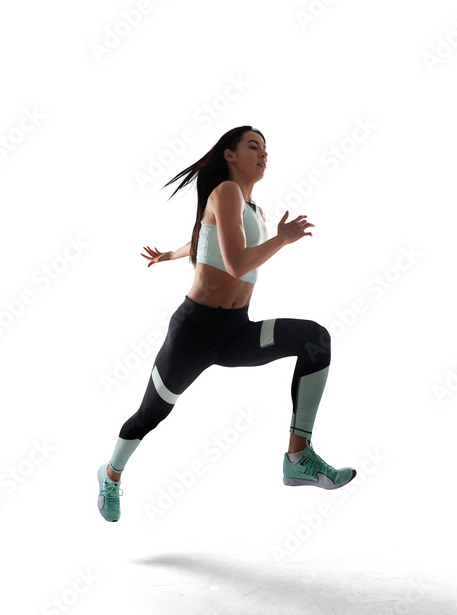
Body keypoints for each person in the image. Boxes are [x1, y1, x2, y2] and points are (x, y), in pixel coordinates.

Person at [97, 126, 355, 522]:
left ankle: (298, 455)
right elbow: (235, 263)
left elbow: (204, 237)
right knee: (150, 416)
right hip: (193, 333)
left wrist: (169, 254)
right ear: (230, 155)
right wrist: (283, 240)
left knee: (314, 339)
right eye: (254, 146)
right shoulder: (226, 192)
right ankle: (111, 475)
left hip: (237, 332)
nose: (263, 153)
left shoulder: (254, 209)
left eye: (266, 149)